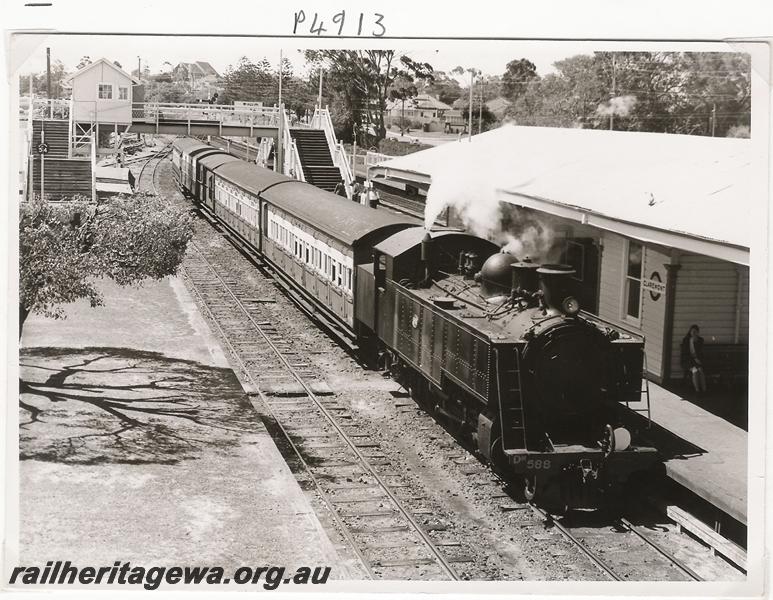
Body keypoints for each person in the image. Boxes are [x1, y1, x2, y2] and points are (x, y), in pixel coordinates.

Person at [681, 324, 707, 393]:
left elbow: (700, 353)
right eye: (692, 331)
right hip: (687, 361)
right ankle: (697, 390)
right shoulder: (686, 340)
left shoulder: (700, 340)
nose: (694, 333)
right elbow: (685, 354)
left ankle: (704, 390)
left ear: (698, 332)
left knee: (701, 370)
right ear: (690, 332)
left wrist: (696, 342)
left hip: (697, 361)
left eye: (695, 332)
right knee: (695, 371)